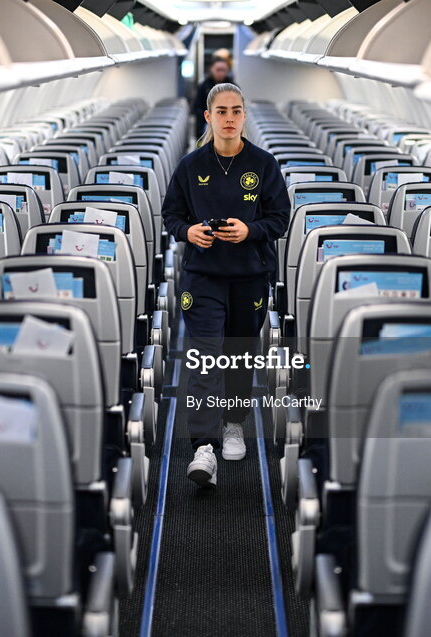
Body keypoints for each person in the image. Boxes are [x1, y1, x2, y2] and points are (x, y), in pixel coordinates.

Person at [162, 84, 290, 488]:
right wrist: (190, 232)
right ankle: (204, 445)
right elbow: (171, 215)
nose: (230, 117)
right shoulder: (190, 165)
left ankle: (233, 421)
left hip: (250, 274)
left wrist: (249, 230)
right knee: (204, 355)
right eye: (222, 111)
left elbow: (280, 219)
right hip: (203, 275)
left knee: (237, 354)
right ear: (208, 117)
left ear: (245, 115)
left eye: (236, 110)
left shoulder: (264, 164)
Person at [191, 58, 235, 140]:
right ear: (211, 70)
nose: (221, 73)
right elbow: (196, 108)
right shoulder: (203, 86)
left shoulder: (233, 87)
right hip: (206, 125)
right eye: (218, 70)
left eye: (223, 70)